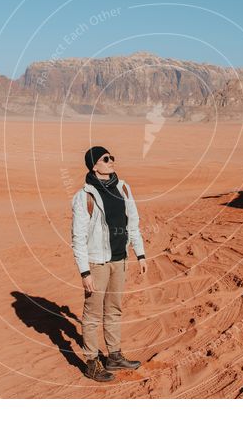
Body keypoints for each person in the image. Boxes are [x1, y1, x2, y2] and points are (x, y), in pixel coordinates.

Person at [71, 146, 148, 382]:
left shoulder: (123, 187)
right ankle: (92, 362)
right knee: (92, 314)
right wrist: (85, 272)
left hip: (119, 259)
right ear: (94, 165)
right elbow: (78, 238)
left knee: (114, 309)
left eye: (112, 157)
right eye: (106, 159)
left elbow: (132, 222)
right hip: (97, 262)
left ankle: (114, 356)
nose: (111, 161)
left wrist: (140, 253)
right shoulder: (85, 196)